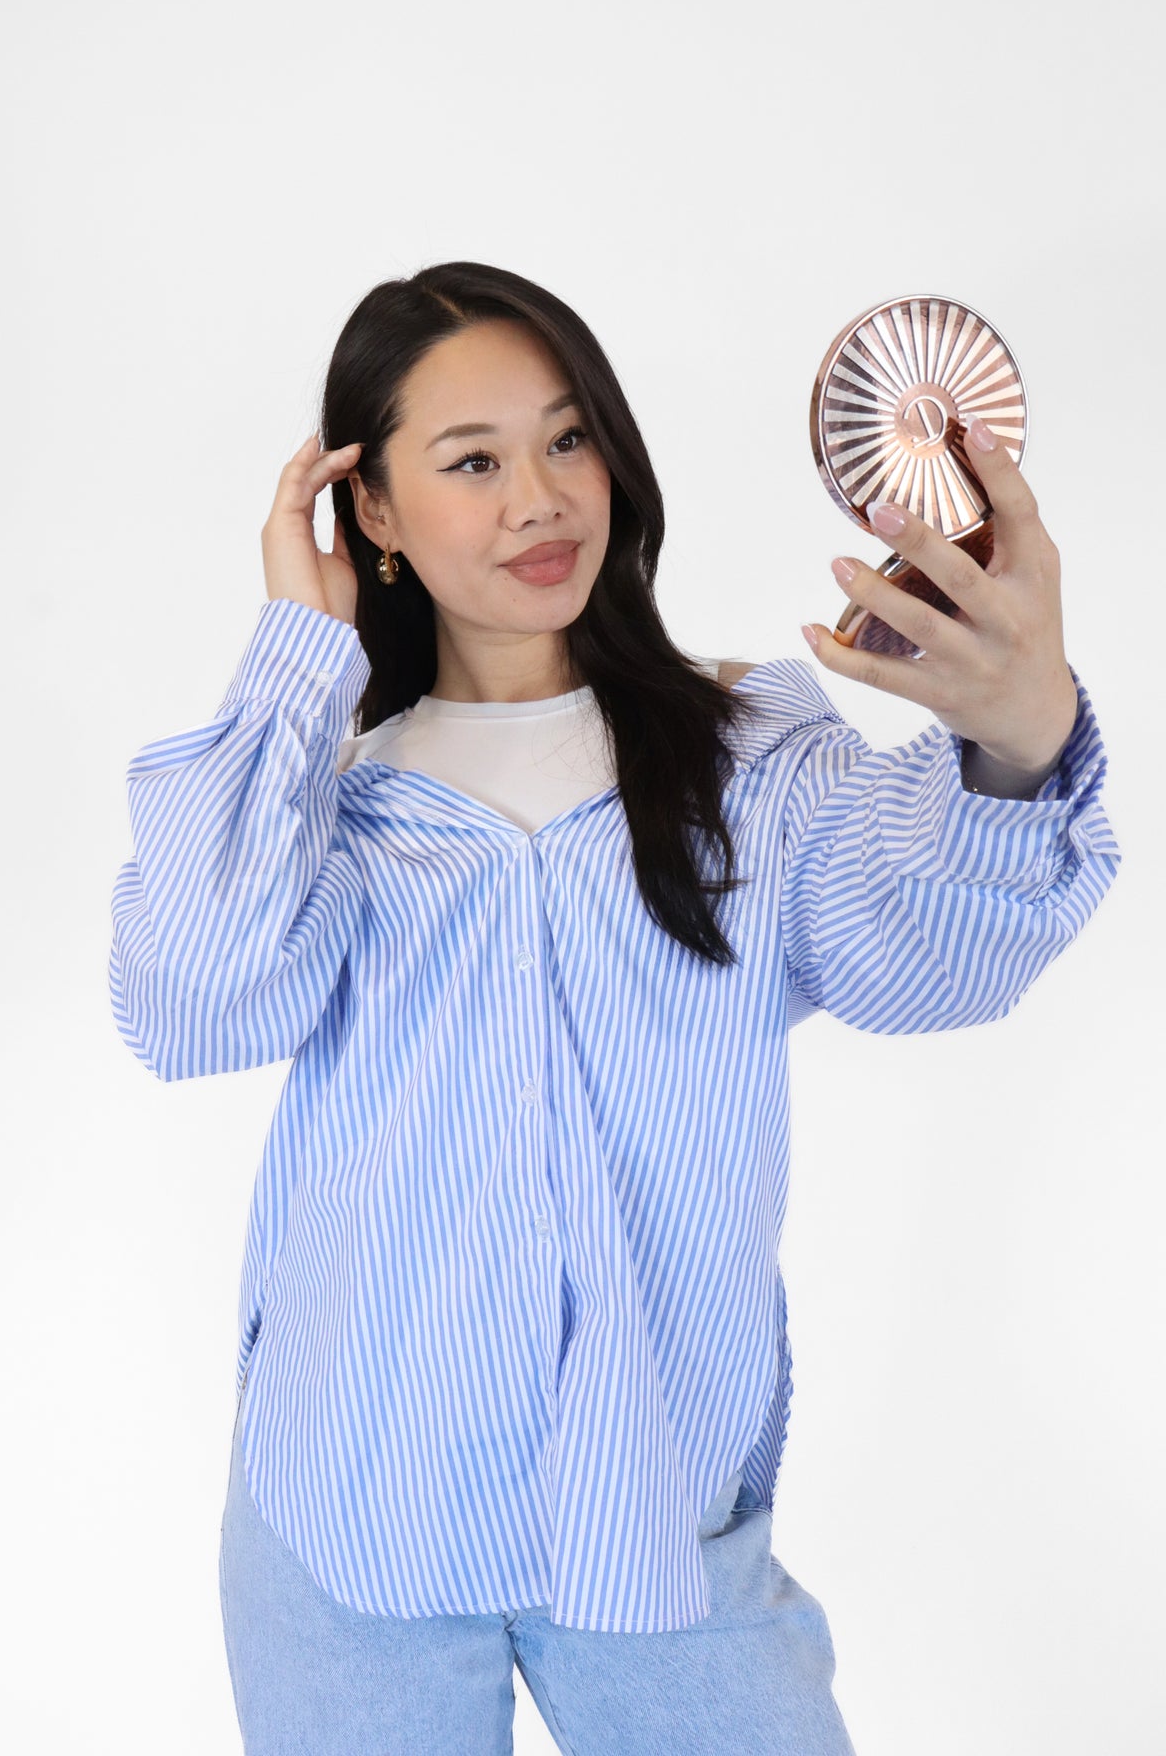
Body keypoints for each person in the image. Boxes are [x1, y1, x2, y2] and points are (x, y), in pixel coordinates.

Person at [108, 260, 1122, 1755]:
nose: (540, 500)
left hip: (654, 1516)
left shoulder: (748, 758)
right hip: (351, 1512)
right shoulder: (326, 802)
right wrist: (299, 663)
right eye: (473, 462)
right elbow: (189, 1003)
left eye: (568, 438)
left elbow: (927, 958)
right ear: (370, 510)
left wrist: (1018, 745)